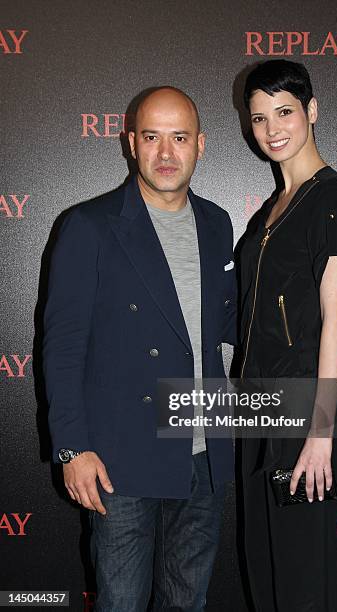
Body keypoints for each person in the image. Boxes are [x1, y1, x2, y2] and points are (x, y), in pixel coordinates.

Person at [42, 86, 236, 611]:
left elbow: (228, 328)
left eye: (179, 138)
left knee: (185, 602)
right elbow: (61, 349)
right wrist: (71, 448)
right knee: (121, 603)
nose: (166, 153)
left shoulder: (218, 224)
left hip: (205, 454)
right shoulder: (88, 226)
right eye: (152, 137)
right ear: (131, 142)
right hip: (120, 457)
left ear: (201, 144)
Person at [234, 60, 337, 611]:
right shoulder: (269, 211)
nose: (272, 129)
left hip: (304, 411)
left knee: (303, 577)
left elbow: (335, 319)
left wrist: (321, 432)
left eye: (284, 112)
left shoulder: (332, 197)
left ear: (311, 111)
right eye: (259, 117)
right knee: (265, 573)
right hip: (258, 407)